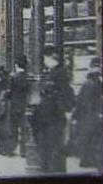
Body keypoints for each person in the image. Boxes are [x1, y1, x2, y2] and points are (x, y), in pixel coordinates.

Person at [32, 46, 75, 174]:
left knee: (53, 146)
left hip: (53, 117)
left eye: (45, 58)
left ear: (50, 57)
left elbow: (64, 94)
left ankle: (54, 171)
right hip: (48, 116)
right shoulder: (52, 72)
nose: (44, 61)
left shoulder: (59, 73)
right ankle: (51, 170)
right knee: (49, 146)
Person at [71, 58, 102, 169]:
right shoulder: (97, 84)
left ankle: (85, 160)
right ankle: (89, 160)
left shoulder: (86, 84)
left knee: (86, 138)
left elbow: (80, 101)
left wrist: (75, 116)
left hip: (86, 116)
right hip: (94, 115)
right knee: (92, 138)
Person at [0, 67, 17, 156]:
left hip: (2, 109)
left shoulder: (1, 85)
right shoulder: (9, 83)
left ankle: (4, 149)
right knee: (6, 130)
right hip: (5, 109)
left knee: (2, 130)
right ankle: (7, 149)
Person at [9, 55, 30, 157]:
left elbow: (9, 92)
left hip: (13, 106)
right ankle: (24, 151)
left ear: (16, 65)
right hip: (23, 105)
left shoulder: (14, 77)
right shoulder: (27, 77)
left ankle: (12, 149)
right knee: (24, 129)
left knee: (13, 129)